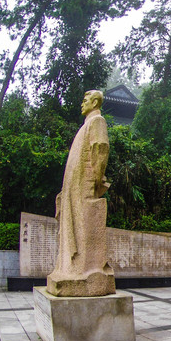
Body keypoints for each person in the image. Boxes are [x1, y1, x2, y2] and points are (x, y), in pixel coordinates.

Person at [47, 90, 115, 296]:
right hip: (73, 187)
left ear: (95, 102)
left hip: (85, 186)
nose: (82, 104)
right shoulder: (85, 125)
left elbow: (100, 149)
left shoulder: (97, 121)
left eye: (85, 101)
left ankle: (86, 271)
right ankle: (70, 269)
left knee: (83, 227)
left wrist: (97, 179)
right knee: (72, 226)